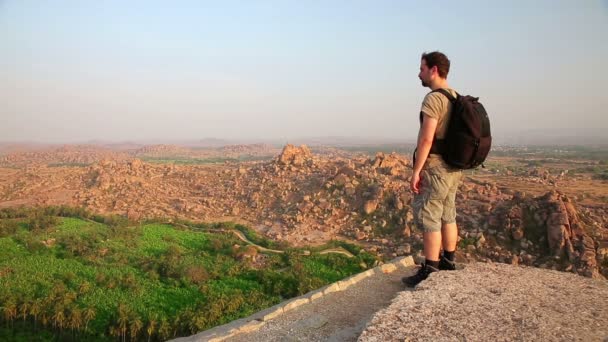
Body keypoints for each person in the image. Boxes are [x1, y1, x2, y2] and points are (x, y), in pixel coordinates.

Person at [402, 51, 463, 287]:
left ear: (434, 70)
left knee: (429, 215)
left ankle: (430, 268)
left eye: (422, 68)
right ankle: (448, 260)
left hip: (436, 167)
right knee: (448, 212)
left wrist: (417, 170)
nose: (419, 73)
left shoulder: (434, 99)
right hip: (453, 167)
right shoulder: (455, 97)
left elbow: (427, 139)